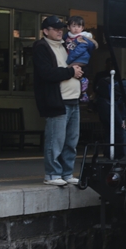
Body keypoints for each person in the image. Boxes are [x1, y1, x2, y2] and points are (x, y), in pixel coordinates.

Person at [34, 16, 84, 185]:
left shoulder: (64, 45)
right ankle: (52, 174)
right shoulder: (41, 47)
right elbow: (46, 73)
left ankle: (67, 173)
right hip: (57, 101)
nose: (59, 31)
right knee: (55, 140)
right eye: (55, 29)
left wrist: (77, 72)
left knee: (71, 141)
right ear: (45, 31)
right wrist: (71, 72)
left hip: (73, 100)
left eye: (61, 28)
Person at [65, 15, 98, 102]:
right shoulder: (68, 37)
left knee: (68, 70)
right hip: (75, 59)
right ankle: (84, 93)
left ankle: (83, 81)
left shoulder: (82, 38)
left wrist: (68, 61)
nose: (76, 28)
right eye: (73, 26)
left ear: (82, 28)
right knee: (75, 73)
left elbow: (77, 52)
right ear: (68, 27)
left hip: (80, 59)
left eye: (79, 26)